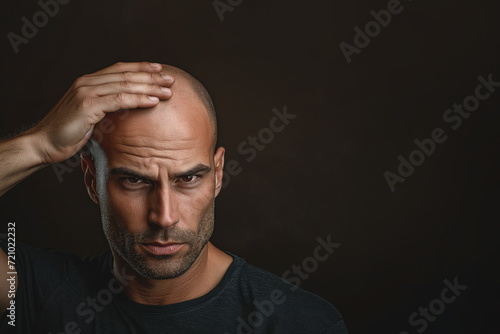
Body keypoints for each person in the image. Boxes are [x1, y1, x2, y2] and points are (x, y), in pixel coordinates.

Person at [0, 62, 348, 333]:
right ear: (93, 180)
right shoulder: (33, 293)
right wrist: (40, 145)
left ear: (218, 174)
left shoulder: (297, 323)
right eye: (135, 181)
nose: (164, 217)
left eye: (188, 178)